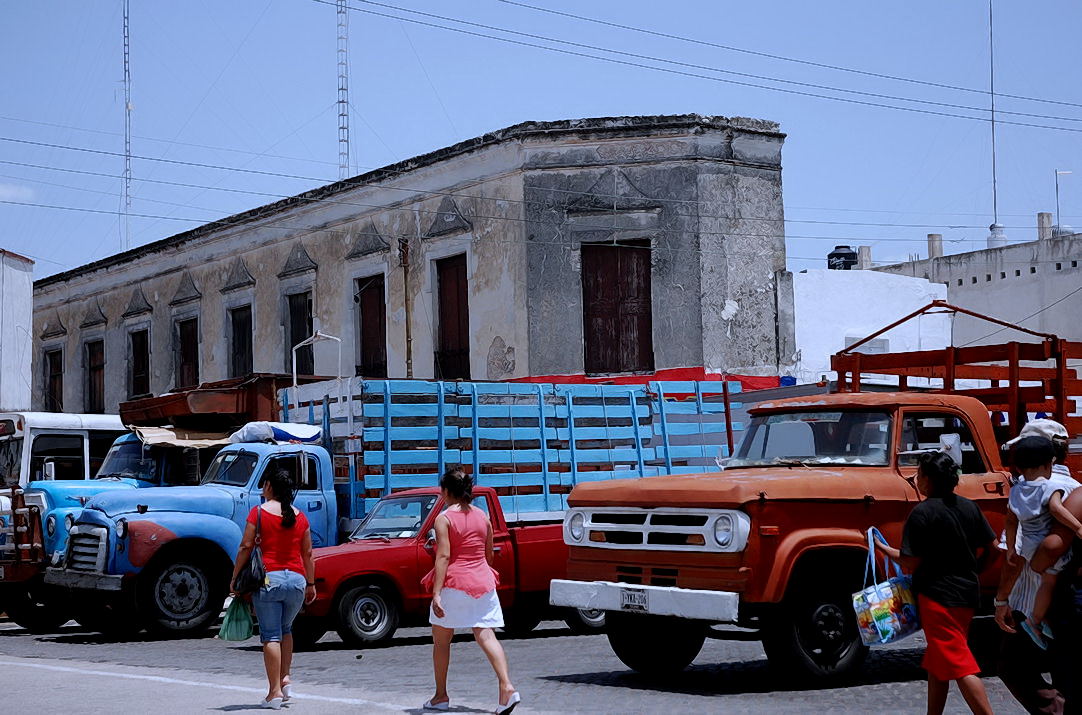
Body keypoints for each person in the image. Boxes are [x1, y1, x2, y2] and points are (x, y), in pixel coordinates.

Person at [874, 451, 997, 715]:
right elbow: (994, 548)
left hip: (937, 596)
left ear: (928, 480)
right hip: (967, 592)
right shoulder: (969, 506)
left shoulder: (922, 513)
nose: (916, 479)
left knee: (959, 661)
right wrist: (975, 570)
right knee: (940, 658)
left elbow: (911, 562)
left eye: (918, 475)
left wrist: (881, 548)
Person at [995, 418, 1082, 714]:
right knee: (1067, 669)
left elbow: (1017, 552)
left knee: (1012, 665)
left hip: (1027, 595)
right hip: (1068, 589)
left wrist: (1002, 599)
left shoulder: (1024, 489)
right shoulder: (1074, 487)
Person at [422, 468, 520, 714]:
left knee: (441, 642)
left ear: (445, 491)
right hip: (483, 582)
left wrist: (436, 594)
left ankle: (441, 696)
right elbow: (488, 555)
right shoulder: (482, 517)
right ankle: (506, 687)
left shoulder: (444, 519)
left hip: (455, 583)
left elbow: (443, 556)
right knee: (486, 635)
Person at [230, 469, 316, 710]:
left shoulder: (258, 513)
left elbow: (246, 546)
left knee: (271, 635)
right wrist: (311, 584)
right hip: (297, 582)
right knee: (286, 629)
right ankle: (285, 678)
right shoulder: (301, 517)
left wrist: (235, 577)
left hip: (270, 581)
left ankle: (274, 693)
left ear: (269, 486)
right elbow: (308, 554)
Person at [1003, 436, 1082, 648]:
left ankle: (1039, 617)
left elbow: (1010, 522)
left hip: (1026, 544)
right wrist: (1077, 527)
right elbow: (1057, 510)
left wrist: (1011, 548)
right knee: (1049, 581)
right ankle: (1035, 620)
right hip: (1044, 544)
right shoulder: (1049, 488)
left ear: (1018, 468)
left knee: (1038, 583)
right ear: (1050, 465)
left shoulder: (1016, 490)